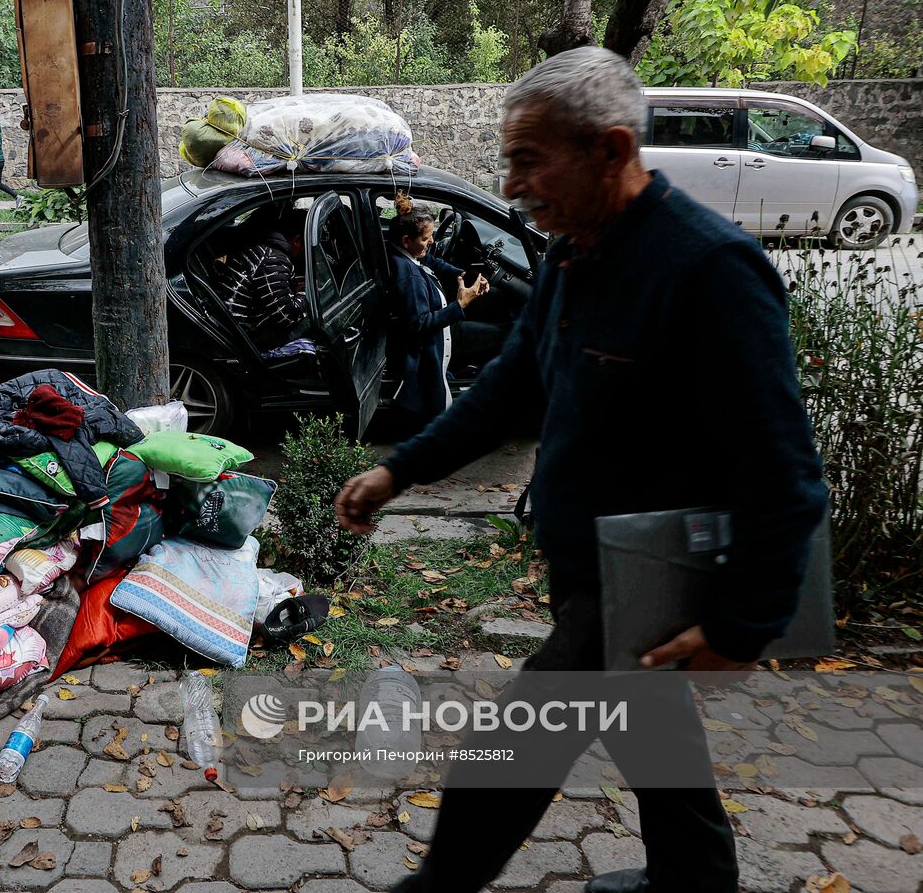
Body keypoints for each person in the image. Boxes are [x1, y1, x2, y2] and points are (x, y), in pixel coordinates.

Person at [335, 47, 827, 893]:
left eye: (530, 160)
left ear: (610, 151)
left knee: (514, 747)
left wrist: (745, 625)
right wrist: (401, 471)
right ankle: (693, 880)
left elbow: (785, 471)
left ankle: (440, 885)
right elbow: (509, 385)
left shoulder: (710, 270)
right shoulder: (576, 254)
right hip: (587, 566)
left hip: (643, 578)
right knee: (652, 734)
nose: (514, 184)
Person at [386, 194, 490, 426]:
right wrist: (461, 304)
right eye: (426, 238)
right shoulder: (408, 276)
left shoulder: (406, 255)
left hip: (443, 336)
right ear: (406, 240)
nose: (431, 241)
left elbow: (432, 262)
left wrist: (465, 276)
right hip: (433, 348)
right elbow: (419, 324)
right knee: (503, 333)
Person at [212, 208, 309, 352]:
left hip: (233, 324)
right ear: (297, 240)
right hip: (245, 336)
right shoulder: (274, 260)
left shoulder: (262, 248)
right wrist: (304, 294)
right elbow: (286, 318)